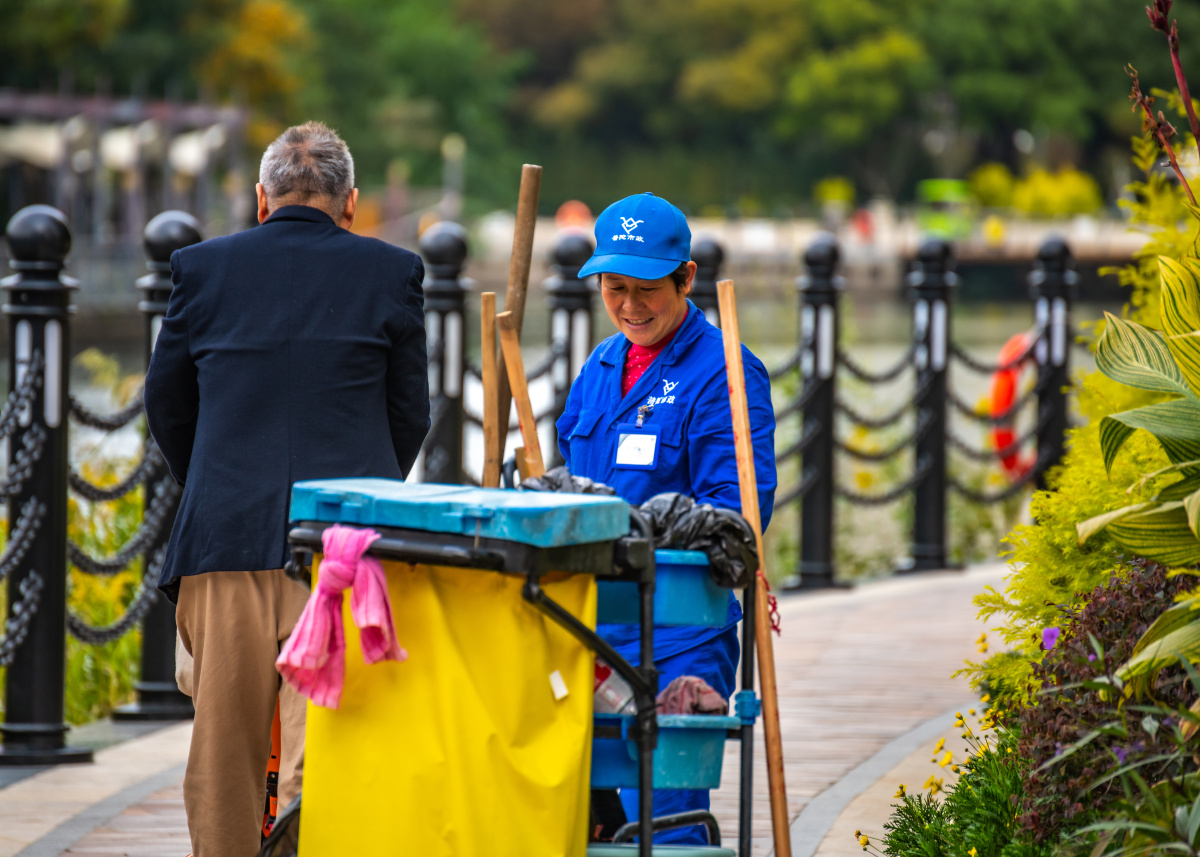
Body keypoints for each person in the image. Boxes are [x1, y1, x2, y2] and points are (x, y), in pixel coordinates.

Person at [145, 121, 430, 857]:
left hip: (224, 538)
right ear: (352, 204)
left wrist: (217, 480)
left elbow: (167, 403)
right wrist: (363, 495)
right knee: (332, 748)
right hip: (339, 551)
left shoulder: (202, 268)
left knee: (224, 752)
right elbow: (410, 416)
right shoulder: (390, 272)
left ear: (261, 200)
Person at [557, 192, 776, 844]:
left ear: (686, 278)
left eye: (647, 288)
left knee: (668, 825)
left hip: (679, 633)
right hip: (586, 633)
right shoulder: (597, 369)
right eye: (614, 287)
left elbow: (734, 515)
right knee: (587, 826)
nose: (629, 305)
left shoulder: (726, 372)